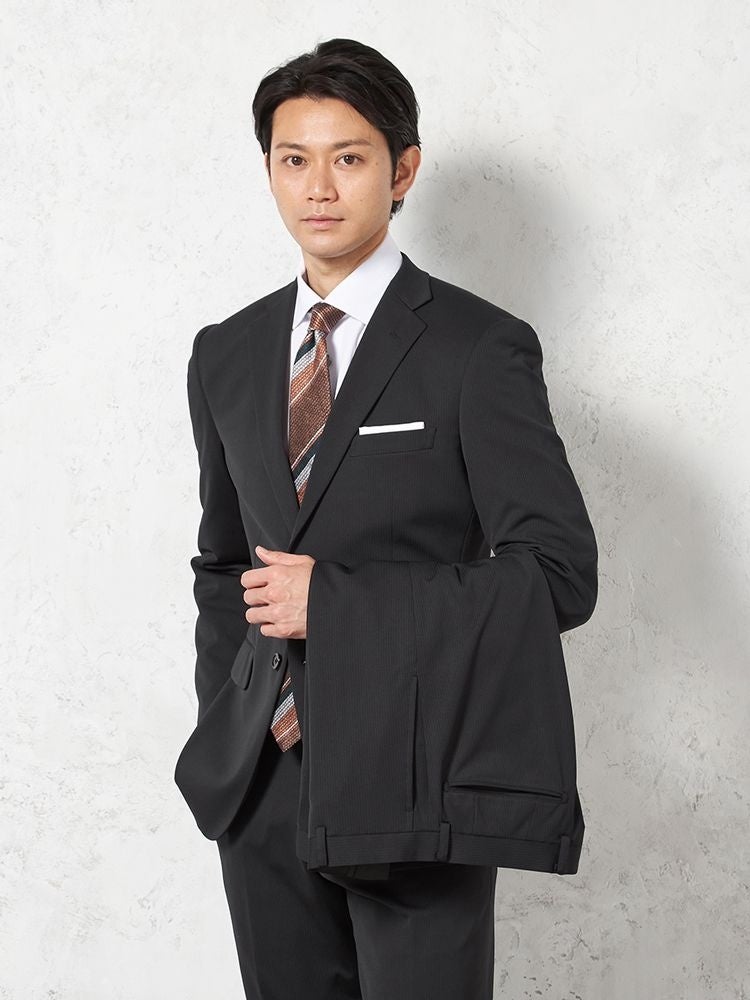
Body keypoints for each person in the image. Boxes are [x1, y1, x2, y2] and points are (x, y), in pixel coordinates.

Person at [174, 37, 598, 1000]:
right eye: (294, 159)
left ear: (402, 171)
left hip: (418, 777)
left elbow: (560, 574)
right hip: (262, 781)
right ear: (269, 170)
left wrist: (335, 605)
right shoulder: (226, 352)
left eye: (350, 158)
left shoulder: (478, 347)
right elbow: (222, 565)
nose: (319, 187)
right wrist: (228, 725)